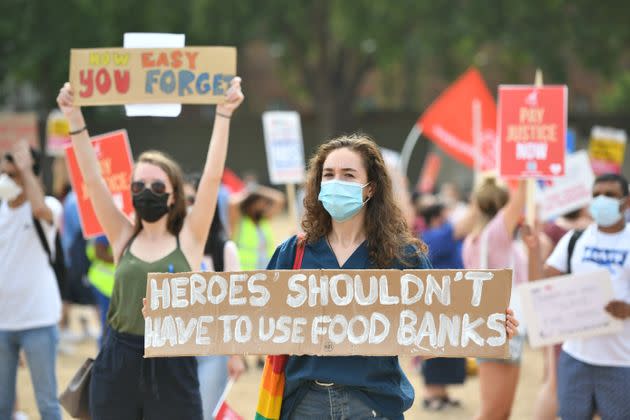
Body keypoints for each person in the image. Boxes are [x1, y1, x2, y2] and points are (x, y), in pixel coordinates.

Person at [264, 135, 519, 419]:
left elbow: (435, 337)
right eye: (329, 174)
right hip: (304, 406)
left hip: (372, 406)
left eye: (348, 175)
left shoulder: (403, 256)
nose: (336, 182)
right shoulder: (292, 253)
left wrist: (486, 325)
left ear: (370, 188)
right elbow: (258, 325)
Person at [56, 77, 244, 420]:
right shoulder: (121, 236)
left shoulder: (189, 240)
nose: (147, 191)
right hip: (118, 359)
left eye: (158, 185)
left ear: (173, 195)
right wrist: (74, 117)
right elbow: (93, 179)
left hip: (173, 364)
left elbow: (213, 178)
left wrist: (223, 114)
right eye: (139, 184)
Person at [525, 173, 630, 420]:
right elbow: (538, 285)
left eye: (610, 195)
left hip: (621, 360)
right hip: (575, 358)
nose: (602, 200)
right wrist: (532, 251)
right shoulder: (576, 239)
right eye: (596, 195)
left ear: (626, 202)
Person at [0, 141, 63, 420]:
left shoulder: (48, 206)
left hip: (38, 320)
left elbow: (40, 211)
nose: (6, 180)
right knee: (3, 404)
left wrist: (26, 171)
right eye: (4, 174)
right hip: (3, 323)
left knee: (47, 403)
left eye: (13, 175)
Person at [462, 177, 527, 420]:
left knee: (502, 411)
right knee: (493, 410)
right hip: (498, 323)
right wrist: (525, 170)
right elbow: (520, 198)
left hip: (503, 322)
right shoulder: (497, 232)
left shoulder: (474, 239)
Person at [186, 174, 247, 420]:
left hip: (213, 353)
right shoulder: (170, 246)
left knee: (203, 414)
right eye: (184, 200)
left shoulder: (225, 250)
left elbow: (238, 304)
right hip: (176, 354)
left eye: (195, 199)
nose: (189, 206)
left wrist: (235, 354)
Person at [417, 201, 472, 411]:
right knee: (435, 350)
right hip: (435, 304)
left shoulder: (440, 235)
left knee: (448, 350)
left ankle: (442, 393)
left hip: (450, 302)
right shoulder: (434, 235)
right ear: (437, 218)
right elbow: (462, 226)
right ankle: (432, 395)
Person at [229, 182, 285, 271]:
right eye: (258, 202)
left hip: (267, 268)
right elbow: (232, 203)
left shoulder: (264, 219)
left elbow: (279, 198)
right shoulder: (240, 221)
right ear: (250, 203)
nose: (262, 205)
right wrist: (248, 192)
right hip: (245, 270)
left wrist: (258, 189)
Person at [86, 235, 115, 347]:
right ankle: (103, 355)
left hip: (112, 284)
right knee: (108, 325)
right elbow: (99, 252)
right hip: (104, 284)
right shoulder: (106, 231)